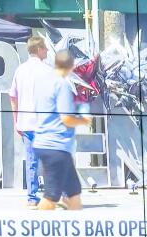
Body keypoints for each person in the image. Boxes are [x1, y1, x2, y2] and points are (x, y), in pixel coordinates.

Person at [32, 50, 92, 212]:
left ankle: (77, 233)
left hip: (45, 143)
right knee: (51, 195)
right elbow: (66, 118)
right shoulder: (62, 84)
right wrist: (83, 120)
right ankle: (34, 234)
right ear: (71, 66)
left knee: (74, 191)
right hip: (56, 145)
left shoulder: (42, 83)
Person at [8, 35, 51, 208]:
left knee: (31, 161)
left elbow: (13, 97)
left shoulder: (20, 70)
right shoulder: (47, 71)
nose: (47, 51)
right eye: (45, 48)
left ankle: (32, 197)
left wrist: (15, 120)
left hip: (25, 122)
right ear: (39, 50)